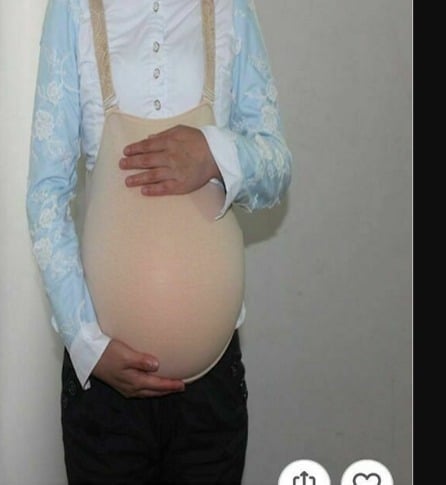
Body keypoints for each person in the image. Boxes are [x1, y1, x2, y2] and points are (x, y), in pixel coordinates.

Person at [26, 0, 292, 483]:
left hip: (211, 394)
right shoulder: (73, 8)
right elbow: (46, 194)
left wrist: (215, 152)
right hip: (103, 389)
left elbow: (276, 164)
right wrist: (86, 344)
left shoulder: (231, 7)